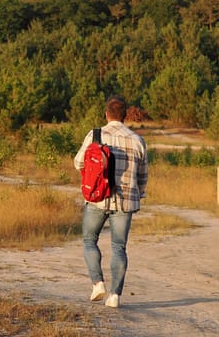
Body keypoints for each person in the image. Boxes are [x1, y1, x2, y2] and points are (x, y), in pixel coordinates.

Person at [73, 95, 148, 308]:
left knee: (89, 240)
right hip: (125, 201)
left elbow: (78, 162)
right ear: (124, 116)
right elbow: (142, 175)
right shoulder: (137, 140)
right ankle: (115, 295)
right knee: (119, 247)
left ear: (106, 114)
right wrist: (139, 194)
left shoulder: (95, 135)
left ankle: (97, 283)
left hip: (98, 198)